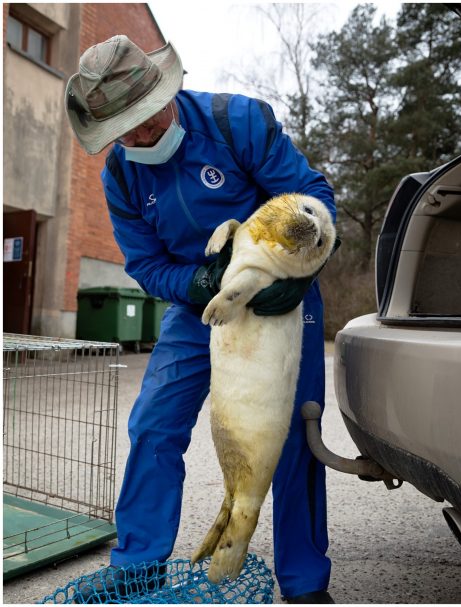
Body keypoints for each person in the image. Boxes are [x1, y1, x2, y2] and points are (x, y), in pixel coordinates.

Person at [65, 35, 334, 604]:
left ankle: (305, 582)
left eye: (146, 119)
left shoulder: (237, 122)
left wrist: (296, 278)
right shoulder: (122, 176)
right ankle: (136, 565)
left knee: (291, 436)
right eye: (124, 130)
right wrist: (197, 283)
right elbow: (146, 264)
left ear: (168, 91)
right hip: (198, 310)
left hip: (282, 303)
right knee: (154, 424)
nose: (138, 137)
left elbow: (311, 196)